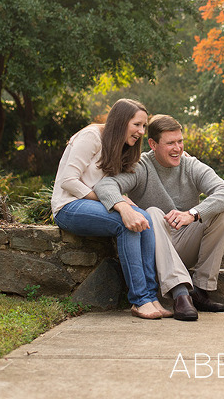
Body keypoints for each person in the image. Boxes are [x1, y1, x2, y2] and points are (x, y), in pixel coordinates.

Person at [94, 114, 224, 321]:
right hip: (153, 249)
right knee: (152, 212)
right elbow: (104, 186)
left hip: (184, 241)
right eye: (170, 143)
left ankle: (200, 290)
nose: (177, 148)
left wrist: (193, 213)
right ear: (153, 144)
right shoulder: (142, 166)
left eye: (180, 141)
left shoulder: (190, 165)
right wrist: (125, 208)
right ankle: (181, 294)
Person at [51, 98, 167, 320]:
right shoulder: (91, 137)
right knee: (127, 222)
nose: (141, 131)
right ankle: (140, 299)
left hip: (94, 204)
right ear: (121, 121)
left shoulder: (122, 146)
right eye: (137, 125)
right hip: (68, 206)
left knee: (144, 219)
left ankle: (152, 296)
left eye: (144, 126)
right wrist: (115, 203)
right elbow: (68, 181)